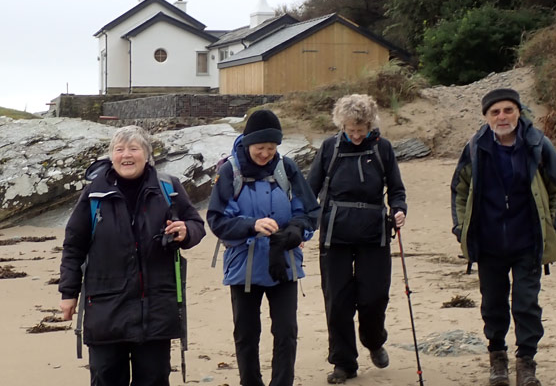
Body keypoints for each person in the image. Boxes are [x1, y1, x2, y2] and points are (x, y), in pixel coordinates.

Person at [59, 125, 206, 386]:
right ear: (111, 156)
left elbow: (196, 225)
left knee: (154, 379)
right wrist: (68, 293)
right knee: (105, 378)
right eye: (119, 149)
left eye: (133, 148)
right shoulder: (94, 194)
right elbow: (73, 246)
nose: (126, 155)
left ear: (147, 155)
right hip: (105, 309)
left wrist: (186, 231)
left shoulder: (167, 188)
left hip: (155, 309)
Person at [451, 88, 556, 386]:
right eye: (495, 112)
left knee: (526, 304)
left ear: (519, 112)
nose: (502, 116)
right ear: (486, 117)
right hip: (489, 243)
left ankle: (526, 363)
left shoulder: (538, 145)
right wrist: (461, 228)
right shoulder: (475, 147)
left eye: (508, 110)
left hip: (528, 242)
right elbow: (460, 190)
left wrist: (555, 232)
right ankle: (498, 360)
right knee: (493, 304)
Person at [207, 109, 319, 386]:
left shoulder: (287, 168)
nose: (266, 153)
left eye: (272, 148)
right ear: (247, 142)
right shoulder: (229, 171)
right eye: (261, 147)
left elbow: (309, 212)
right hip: (243, 267)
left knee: (286, 332)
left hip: (285, 263)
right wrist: (252, 225)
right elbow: (218, 221)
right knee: (246, 333)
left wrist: (294, 230)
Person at [307, 94, 407, 384]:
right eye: (350, 128)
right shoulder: (330, 147)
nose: (356, 134)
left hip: (374, 234)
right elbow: (310, 189)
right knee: (337, 302)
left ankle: (374, 339)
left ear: (370, 123)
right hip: (334, 235)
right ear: (341, 124)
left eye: (360, 128)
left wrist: (399, 210)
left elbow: (397, 189)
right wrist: (302, 224)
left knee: (374, 297)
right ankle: (344, 362)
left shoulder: (382, 148)